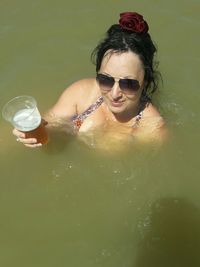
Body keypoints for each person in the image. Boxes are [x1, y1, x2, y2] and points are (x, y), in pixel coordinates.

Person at [13, 12, 168, 149]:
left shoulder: (151, 129)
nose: (115, 94)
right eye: (105, 80)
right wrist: (36, 130)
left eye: (128, 84)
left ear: (146, 82)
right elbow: (52, 126)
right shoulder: (82, 93)